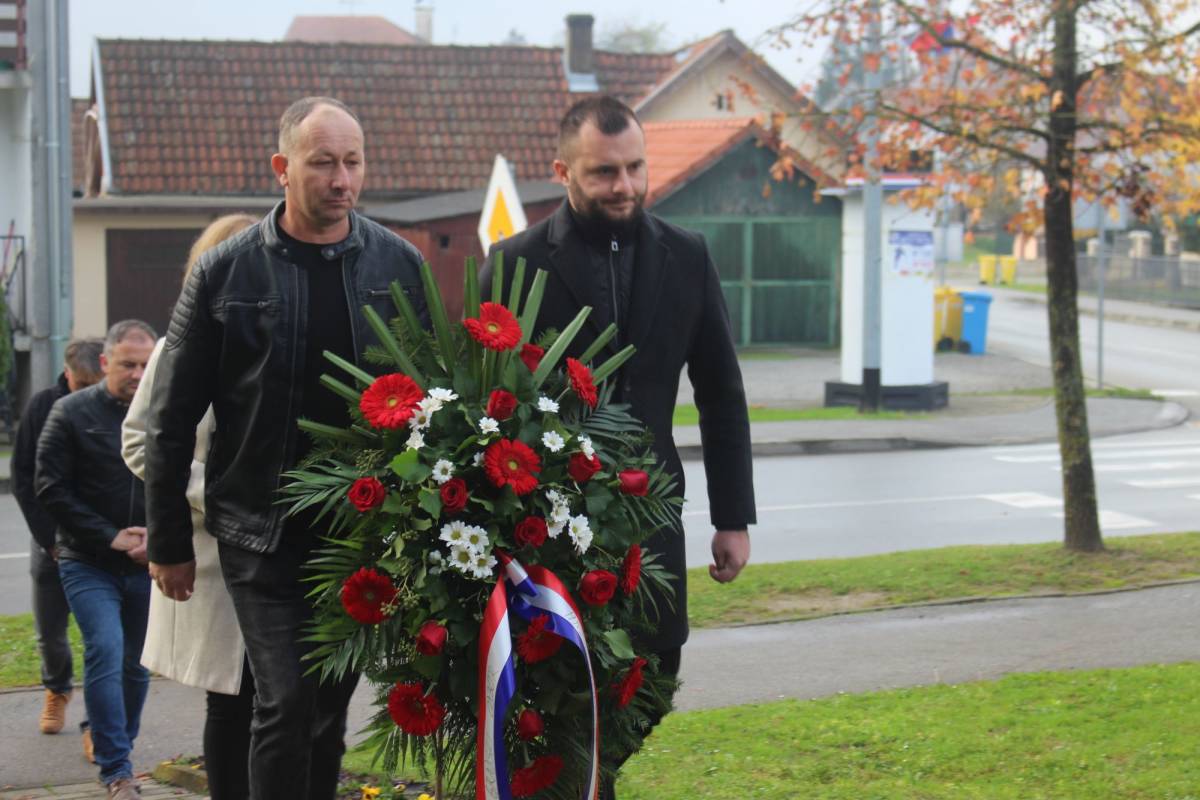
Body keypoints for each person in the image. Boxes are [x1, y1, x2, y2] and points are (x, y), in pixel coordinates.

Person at [141, 96, 430, 800]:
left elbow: (432, 401)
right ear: (282, 167)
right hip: (257, 530)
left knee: (328, 708)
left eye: (353, 163)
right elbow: (169, 421)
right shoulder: (225, 274)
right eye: (323, 162)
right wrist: (168, 540)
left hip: (362, 530)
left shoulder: (399, 266)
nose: (342, 180)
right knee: (287, 696)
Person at [483, 95, 756, 797]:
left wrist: (734, 518)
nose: (626, 186)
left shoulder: (688, 256)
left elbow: (721, 393)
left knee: (654, 679)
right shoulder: (512, 264)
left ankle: (591, 781)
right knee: (565, 692)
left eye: (635, 167)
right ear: (563, 171)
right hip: (551, 525)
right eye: (605, 172)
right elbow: (485, 400)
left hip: (653, 518)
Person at [121, 213, 257, 800]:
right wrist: (211, 496)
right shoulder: (175, 348)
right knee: (231, 699)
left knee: (280, 700)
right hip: (211, 550)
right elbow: (140, 440)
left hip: (279, 549)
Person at [36, 320, 157, 800]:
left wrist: (160, 536)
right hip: (87, 559)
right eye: (128, 364)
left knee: (136, 665)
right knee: (105, 649)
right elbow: (50, 488)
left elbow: (189, 481)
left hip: (151, 563)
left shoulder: (168, 414)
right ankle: (117, 771)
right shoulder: (69, 413)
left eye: (147, 366)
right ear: (106, 362)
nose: (137, 373)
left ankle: (119, 748)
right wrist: (111, 537)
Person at [11, 338, 103, 754]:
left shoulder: (113, 405)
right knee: (50, 633)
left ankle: (96, 723)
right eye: (80, 382)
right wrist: (48, 539)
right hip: (50, 540)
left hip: (100, 543)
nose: (86, 390)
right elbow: (24, 478)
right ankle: (57, 688)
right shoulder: (43, 406)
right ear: (67, 373)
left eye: (93, 382)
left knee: (102, 639)